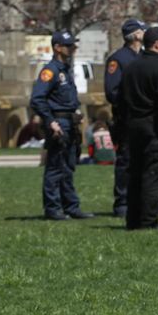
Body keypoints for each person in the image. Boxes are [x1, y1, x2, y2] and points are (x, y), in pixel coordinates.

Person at [30, 30, 94, 221]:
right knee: (55, 167)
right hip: (58, 123)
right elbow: (37, 99)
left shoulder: (65, 69)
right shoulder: (50, 71)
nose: (73, 48)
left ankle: (71, 206)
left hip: (70, 122)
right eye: (69, 46)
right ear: (57, 48)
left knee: (68, 166)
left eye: (73, 45)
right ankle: (52, 208)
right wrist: (51, 122)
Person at [120, 27, 158, 230]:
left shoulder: (131, 67)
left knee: (135, 175)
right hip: (154, 128)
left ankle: (133, 220)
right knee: (153, 175)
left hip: (133, 127)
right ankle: (148, 221)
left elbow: (120, 101)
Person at [104, 18, 148, 217]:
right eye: (143, 30)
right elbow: (112, 92)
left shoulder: (145, 57)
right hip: (127, 117)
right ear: (136, 35)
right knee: (126, 160)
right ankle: (122, 201)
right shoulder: (119, 59)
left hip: (145, 117)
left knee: (146, 159)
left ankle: (143, 199)